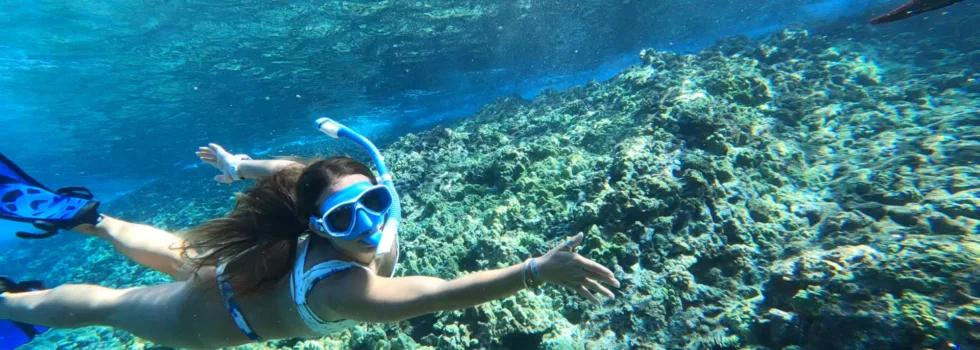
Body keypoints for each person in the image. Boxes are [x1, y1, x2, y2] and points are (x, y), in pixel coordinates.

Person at [0, 119, 620, 349]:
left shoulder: (340, 194)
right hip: (208, 316)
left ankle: (92, 218)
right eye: (345, 219)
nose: (370, 226)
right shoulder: (345, 290)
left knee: (175, 249)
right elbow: (442, 293)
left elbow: (293, 173)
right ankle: (8, 302)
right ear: (316, 224)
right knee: (111, 307)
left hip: (250, 265)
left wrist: (240, 164)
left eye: (374, 203)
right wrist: (534, 271)